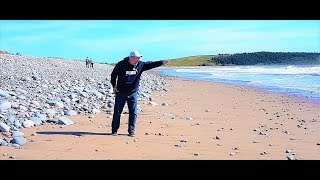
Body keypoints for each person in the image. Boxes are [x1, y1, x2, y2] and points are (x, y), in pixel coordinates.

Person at [110, 50, 170, 137]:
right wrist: (114, 86)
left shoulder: (140, 65)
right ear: (131, 58)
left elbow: (151, 64)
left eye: (139, 58)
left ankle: (131, 131)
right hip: (121, 92)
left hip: (133, 92)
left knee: (133, 112)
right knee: (117, 112)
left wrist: (162, 62)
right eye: (137, 58)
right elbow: (113, 75)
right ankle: (114, 131)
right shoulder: (121, 64)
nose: (138, 59)